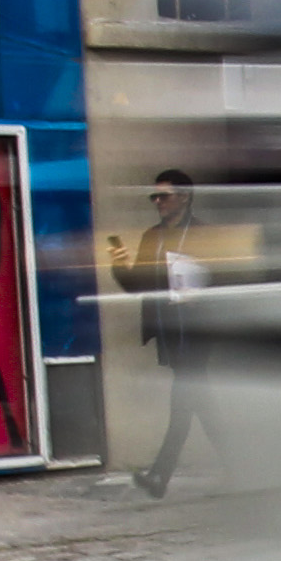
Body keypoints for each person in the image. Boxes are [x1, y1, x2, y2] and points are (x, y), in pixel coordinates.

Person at [103, 169, 212, 499]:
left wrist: (201, 290)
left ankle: (159, 476)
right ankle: (245, 470)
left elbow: (227, 280)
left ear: (184, 197)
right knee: (203, 405)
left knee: (182, 402)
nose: (158, 202)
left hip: (199, 333)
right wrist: (117, 256)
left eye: (164, 196)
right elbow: (136, 285)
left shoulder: (205, 235)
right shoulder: (154, 237)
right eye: (155, 196)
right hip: (170, 335)